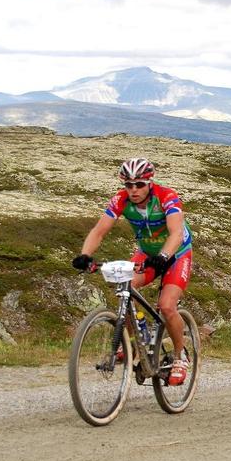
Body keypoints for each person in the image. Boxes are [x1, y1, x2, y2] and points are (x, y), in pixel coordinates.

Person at [72, 157, 194, 385]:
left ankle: (180, 356)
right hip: (147, 253)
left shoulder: (166, 196)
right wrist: (85, 255)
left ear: (150, 183)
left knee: (167, 306)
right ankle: (135, 340)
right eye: (129, 185)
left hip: (177, 254)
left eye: (139, 184)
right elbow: (99, 231)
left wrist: (164, 256)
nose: (134, 190)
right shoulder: (120, 200)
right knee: (125, 289)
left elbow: (176, 233)